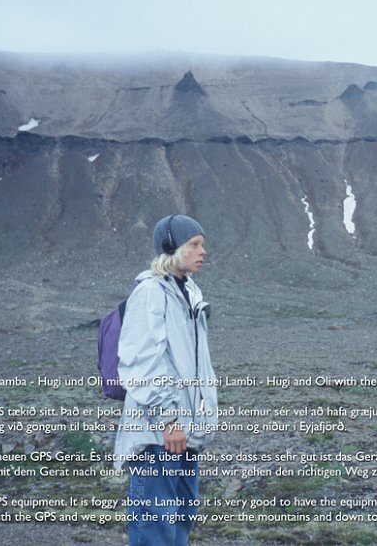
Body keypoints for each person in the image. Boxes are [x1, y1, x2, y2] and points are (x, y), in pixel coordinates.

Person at [112, 214, 218, 546]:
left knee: (180, 522)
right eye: (194, 245)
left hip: (183, 434)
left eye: (202, 244)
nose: (203, 251)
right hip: (160, 434)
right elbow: (141, 362)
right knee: (155, 528)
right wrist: (167, 419)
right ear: (171, 247)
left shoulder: (189, 293)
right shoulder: (151, 293)